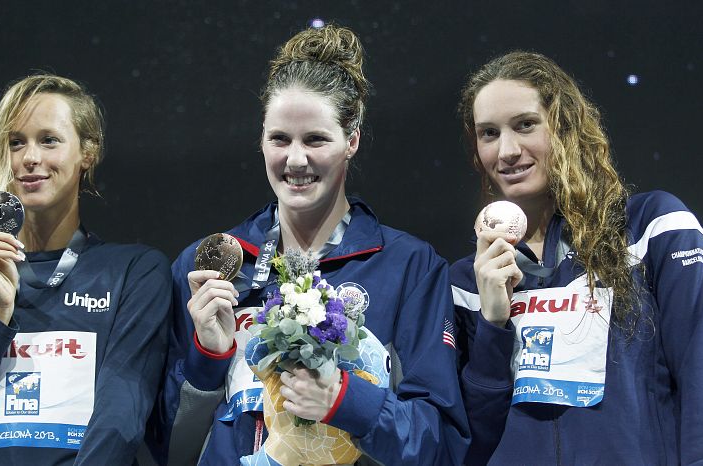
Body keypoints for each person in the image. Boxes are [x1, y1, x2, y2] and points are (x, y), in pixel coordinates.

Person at [152, 24, 470, 465]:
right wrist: (208, 357)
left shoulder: (410, 268)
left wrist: (346, 399)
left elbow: (440, 446)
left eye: (316, 139)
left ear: (351, 141)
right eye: (279, 139)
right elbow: (169, 447)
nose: (295, 160)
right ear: (261, 140)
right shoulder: (208, 266)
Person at [451, 51, 703, 465]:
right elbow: (471, 440)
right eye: (488, 133)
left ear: (566, 127)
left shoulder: (653, 229)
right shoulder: (466, 282)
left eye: (525, 125)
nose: (507, 151)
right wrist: (492, 325)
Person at [0, 74, 172, 465]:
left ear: (88, 152)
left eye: (49, 140)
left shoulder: (134, 271)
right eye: (16, 142)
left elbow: (120, 420)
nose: (29, 157)